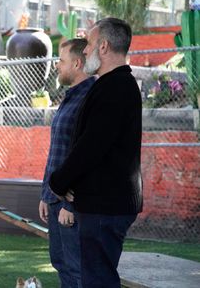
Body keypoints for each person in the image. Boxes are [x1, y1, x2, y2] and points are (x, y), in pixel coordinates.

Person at [49, 18, 143, 288]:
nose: (86, 50)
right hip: (102, 202)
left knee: (97, 280)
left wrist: (59, 182)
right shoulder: (109, 84)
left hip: (106, 206)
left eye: (89, 44)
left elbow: (92, 146)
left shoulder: (116, 87)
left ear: (103, 47)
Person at [39, 38, 95, 288]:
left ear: (77, 62)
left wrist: (70, 206)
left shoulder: (89, 99)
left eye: (61, 61)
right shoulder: (70, 96)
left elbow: (85, 157)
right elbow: (57, 151)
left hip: (70, 205)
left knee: (76, 271)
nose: (57, 66)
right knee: (61, 265)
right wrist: (45, 195)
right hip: (54, 200)